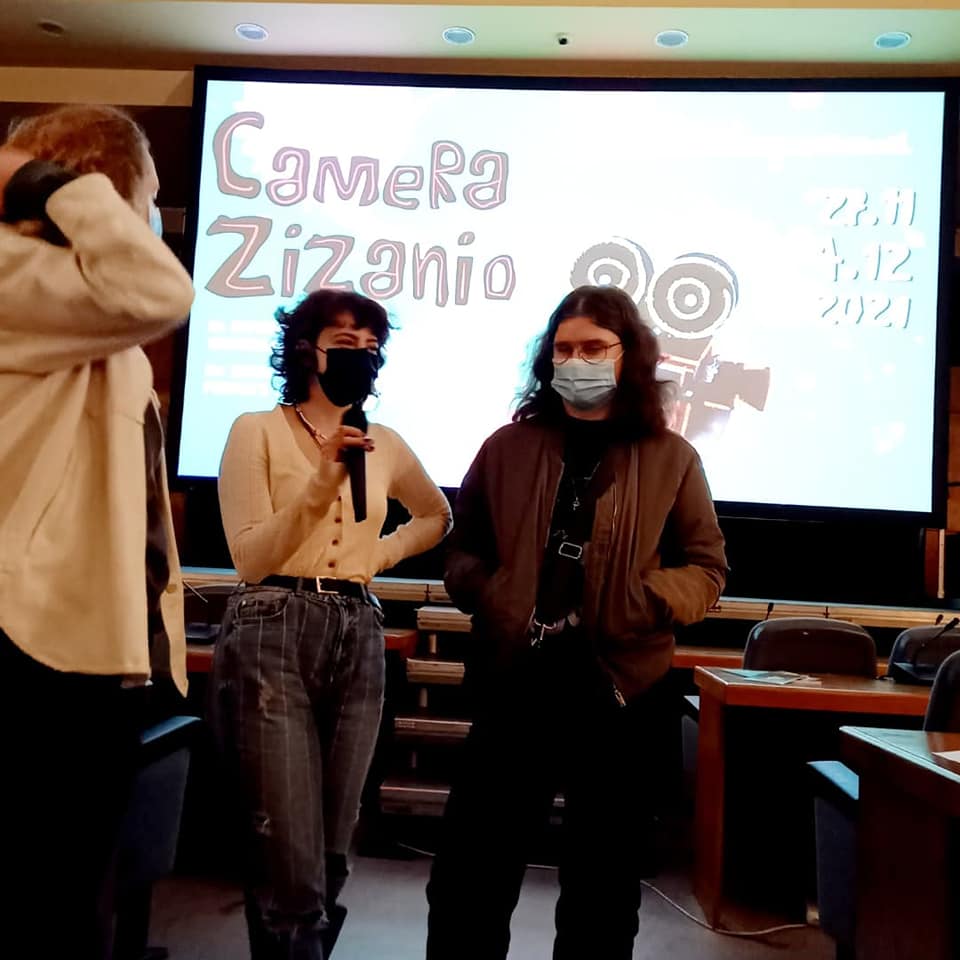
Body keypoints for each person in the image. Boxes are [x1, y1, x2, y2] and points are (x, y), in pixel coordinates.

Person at [425, 285, 727, 960]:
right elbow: (462, 550)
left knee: (603, 895)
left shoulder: (672, 457)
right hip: (514, 684)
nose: (576, 360)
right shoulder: (506, 447)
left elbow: (708, 568)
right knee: (468, 883)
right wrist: (495, 593)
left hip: (620, 691)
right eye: (564, 349)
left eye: (593, 347)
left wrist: (637, 602)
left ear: (628, 356)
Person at [0, 106, 195, 958]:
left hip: (89, 649)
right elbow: (160, 290)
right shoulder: (16, 268)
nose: (151, 221)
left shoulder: (86, 308)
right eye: (146, 198)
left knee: (70, 899)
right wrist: (38, 180)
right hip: (28, 640)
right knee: (41, 905)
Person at [213, 288, 452, 959]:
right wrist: (321, 483)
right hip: (272, 624)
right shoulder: (255, 430)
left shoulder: (386, 443)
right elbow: (251, 557)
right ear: (305, 350)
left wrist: (380, 554)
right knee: (287, 848)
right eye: (346, 343)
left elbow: (436, 515)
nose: (363, 357)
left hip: (359, 630)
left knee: (333, 843)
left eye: (373, 347)